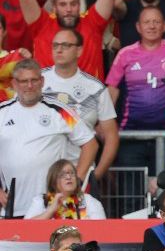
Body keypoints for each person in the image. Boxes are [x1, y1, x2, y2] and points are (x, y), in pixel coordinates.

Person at [0, 59, 97, 218]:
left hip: (55, 206)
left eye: (34, 80)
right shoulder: (2, 112)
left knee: (61, 242)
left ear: (42, 81)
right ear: (14, 84)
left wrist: (76, 181)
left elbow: (90, 144)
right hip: (12, 206)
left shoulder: (60, 111)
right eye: (24, 81)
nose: (29, 86)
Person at [107, 6, 165, 175]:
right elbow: (111, 91)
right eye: (147, 22)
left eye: (156, 22)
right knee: (131, 196)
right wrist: (108, 126)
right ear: (138, 27)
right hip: (129, 135)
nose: (152, 26)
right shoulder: (125, 54)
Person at [42, 28, 119, 181]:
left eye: (65, 45)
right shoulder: (36, 83)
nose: (59, 49)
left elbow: (111, 136)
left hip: (80, 175)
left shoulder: (95, 88)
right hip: (42, 173)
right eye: (55, 45)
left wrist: (96, 175)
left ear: (79, 50)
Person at [24, 159, 106, 220]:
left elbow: (101, 229)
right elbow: (25, 228)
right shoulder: (41, 201)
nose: (68, 177)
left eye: (72, 173)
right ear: (53, 181)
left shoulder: (89, 201)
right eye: (63, 174)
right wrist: (50, 211)